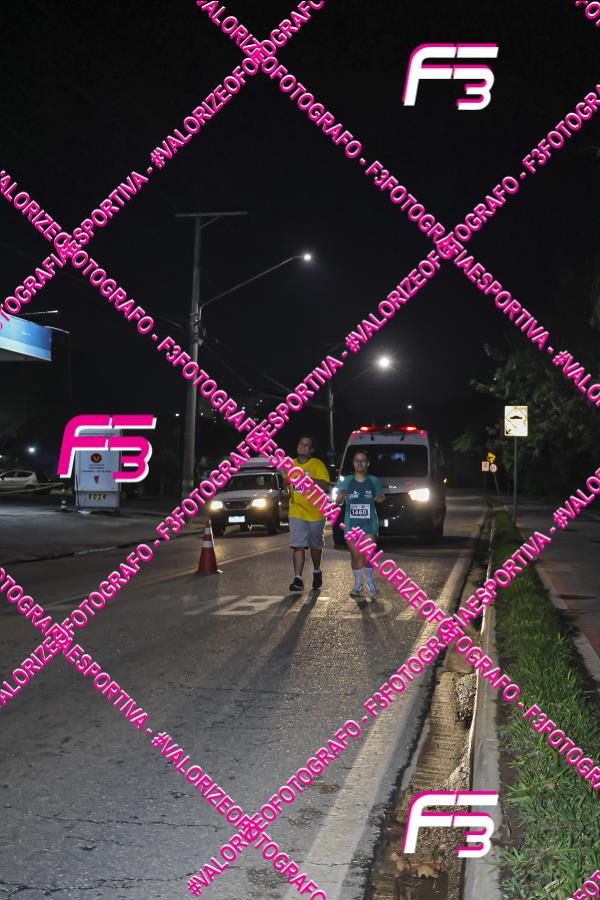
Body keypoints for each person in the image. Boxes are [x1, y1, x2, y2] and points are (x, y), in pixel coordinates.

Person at [336, 450, 385, 598]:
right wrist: (340, 497)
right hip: (352, 525)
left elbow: (381, 496)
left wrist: (379, 498)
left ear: (367, 463)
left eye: (363, 460)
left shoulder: (373, 480)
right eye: (357, 460)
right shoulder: (347, 481)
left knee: (367, 555)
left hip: (369, 524)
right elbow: (338, 501)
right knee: (356, 556)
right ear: (353, 463)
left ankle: (369, 581)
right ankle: (358, 584)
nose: (359, 463)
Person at [286, 435, 330, 592]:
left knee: (315, 546)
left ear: (311, 450)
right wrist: (286, 491)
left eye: (306, 445)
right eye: (301, 443)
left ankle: (316, 571)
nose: (302, 446)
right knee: (298, 546)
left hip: (316, 512)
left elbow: (326, 485)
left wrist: (309, 479)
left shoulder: (317, 464)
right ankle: (298, 579)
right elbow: (286, 482)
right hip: (296, 511)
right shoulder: (290, 464)